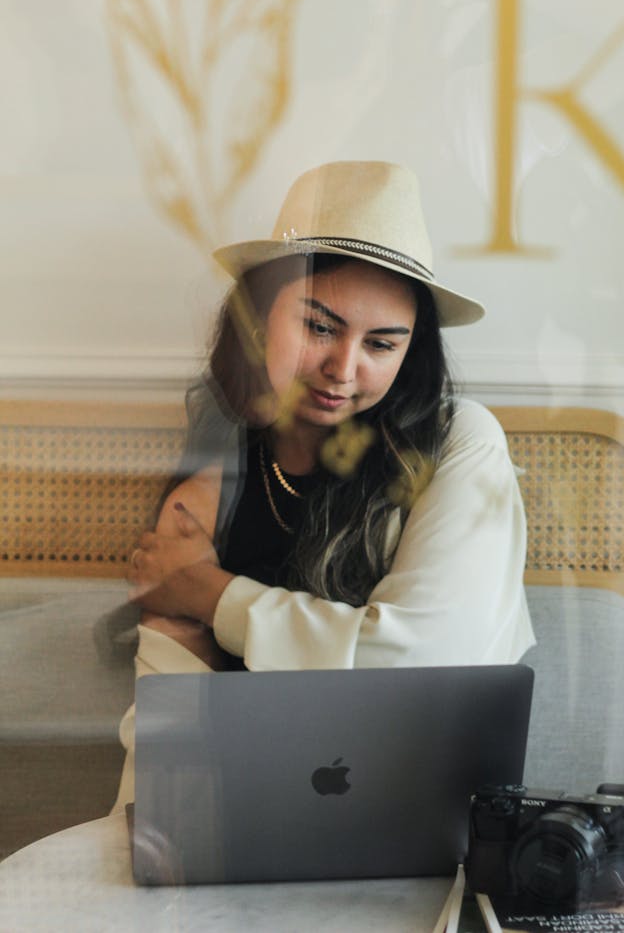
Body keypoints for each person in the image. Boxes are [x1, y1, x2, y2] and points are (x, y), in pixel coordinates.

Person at [114, 160, 533, 808]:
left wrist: (213, 595)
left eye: (383, 344)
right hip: (241, 815)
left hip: (419, 805)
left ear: (412, 348)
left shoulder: (461, 444)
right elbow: (166, 727)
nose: (344, 368)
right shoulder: (215, 468)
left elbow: (425, 668)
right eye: (319, 326)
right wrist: (149, 839)